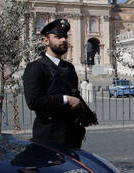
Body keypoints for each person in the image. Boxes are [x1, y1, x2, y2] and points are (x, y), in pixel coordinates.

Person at [22, 18, 90, 148]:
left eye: (65, 36)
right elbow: (34, 101)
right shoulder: (35, 67)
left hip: (72, 135)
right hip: (49, 136)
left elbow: (74, 94)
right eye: (58, 36)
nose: (63, 40)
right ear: (46, 41)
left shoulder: (69, 67)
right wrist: (66, 99)